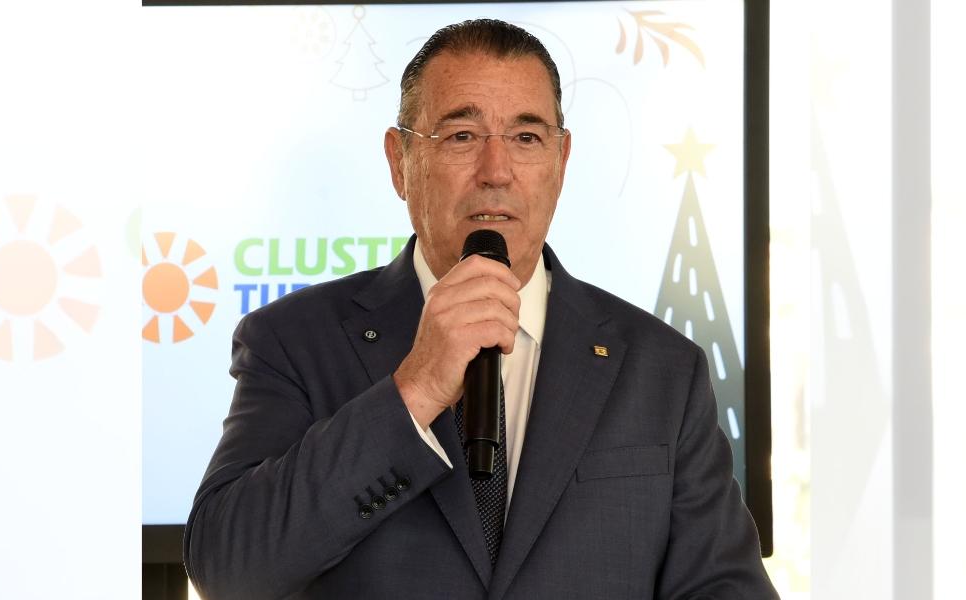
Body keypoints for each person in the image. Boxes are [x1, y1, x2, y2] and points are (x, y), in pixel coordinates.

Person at [183, 19, 779, 600]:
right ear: (399, 162)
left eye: (526, 138)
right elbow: (228, 570)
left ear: (561, 162)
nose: (496, 173)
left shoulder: (665, 370)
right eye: (461, 137)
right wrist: (414, 391)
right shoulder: (293, 341)